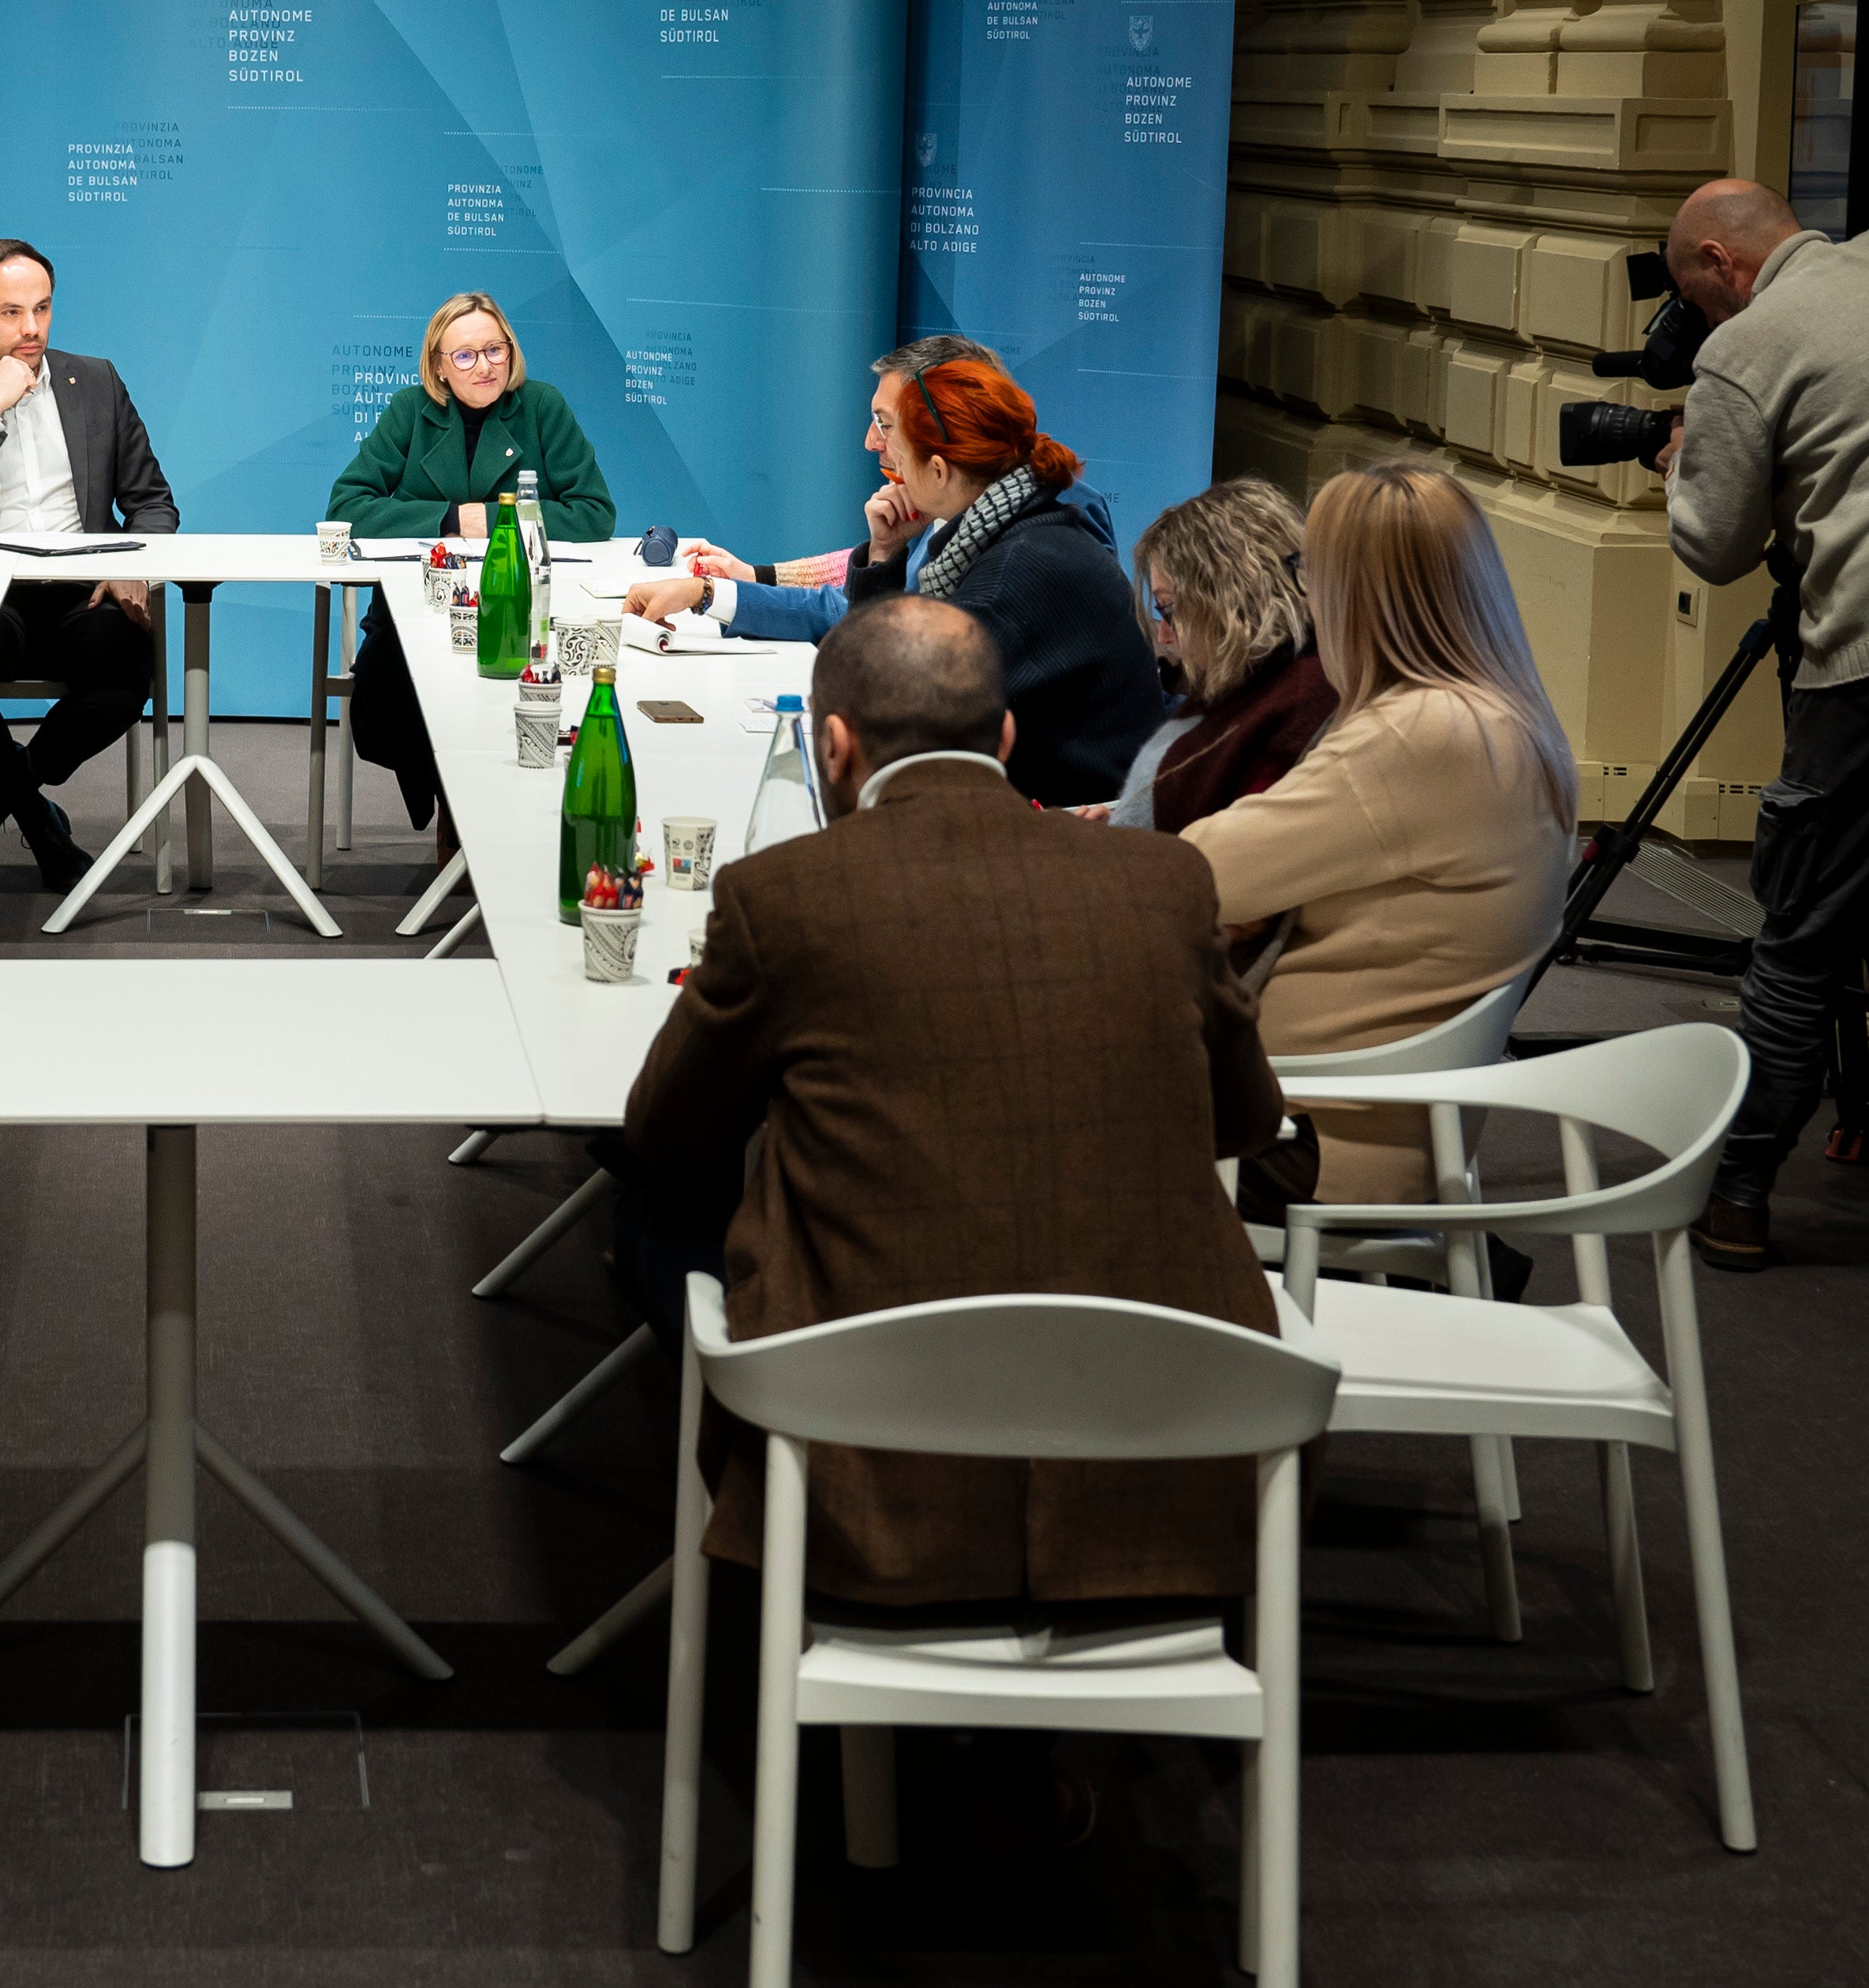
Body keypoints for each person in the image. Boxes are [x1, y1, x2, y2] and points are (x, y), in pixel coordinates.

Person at [603, 594, 1283, 1844]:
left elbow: (662, 1135)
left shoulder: (780, 896)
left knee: (654, 1227)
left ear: (837, 745)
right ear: (1010, 736)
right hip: (1171, 1451)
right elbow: (1246, 1120)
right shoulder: (1163, 882)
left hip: (878, 1481)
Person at [1182, 462, 1573, 1217]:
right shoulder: (1504, 717)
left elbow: (1194, 873)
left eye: (1309, 569)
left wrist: (1248, 901)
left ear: (1354, 591)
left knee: (1031, 1122)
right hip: (1380, 1121)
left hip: (1310, 1133)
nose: (1307, 595)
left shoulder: (1420, 735)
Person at [1651, 181, 1869, 1268]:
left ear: (1719, 264)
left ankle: (1738, 1194)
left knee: (1802, 936)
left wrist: (1680, 460)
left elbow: (1716, 543)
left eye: (1693, 300)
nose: (1697, 323)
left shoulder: (1749, 345)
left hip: (1868, 668)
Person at [0, 239, 178, 888]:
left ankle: (6, 793)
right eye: (11, 312)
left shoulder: (96, 380)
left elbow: (153, 502)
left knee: (127, 668)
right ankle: (42, 826)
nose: (31, 329)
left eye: (43, 309)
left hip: (86, 589)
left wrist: (133, 566)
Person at [324, 290, 613, 841]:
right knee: (382, 704)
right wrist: (453, 519)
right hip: (418, 611)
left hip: (524, 614)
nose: (484, 366)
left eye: (494, 350)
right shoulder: (412, 411)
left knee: (505, 705)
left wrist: (506, 519)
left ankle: (488, 831)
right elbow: (348, 507)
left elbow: (594, 513)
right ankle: (457, 820)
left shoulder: (542, 407)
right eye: (465, 355)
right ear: (439, 365)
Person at [622, 334, 1118, 644]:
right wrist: (710, 592)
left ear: (940, 443)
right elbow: (850, 616)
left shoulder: (1049, 529)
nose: (870, 442)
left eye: (884, 423)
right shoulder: (963, 509)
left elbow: (905, 668)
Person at [816, 357, 1158, 804]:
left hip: (1067, 842)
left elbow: (887, 707)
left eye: (892, 432)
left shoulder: (1015, 576)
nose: (884, 450)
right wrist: (884, 555)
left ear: (939, 471)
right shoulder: (1029, 532)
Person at [1092, 477, 1336, 835]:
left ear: (1227, 601)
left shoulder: (1283, 717)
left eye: (1169, 610)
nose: (1164, 635)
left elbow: (1224, 859)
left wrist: (1124, 843)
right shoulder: (1299, 682)